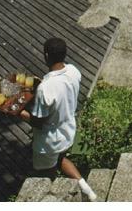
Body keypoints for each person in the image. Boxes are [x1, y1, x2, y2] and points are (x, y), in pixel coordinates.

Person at [19, 37, 97, 201]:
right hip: (68, 131)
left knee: (45, 174)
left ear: (46, 55)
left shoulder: (45, 88)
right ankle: (86, 189)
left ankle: (55, 197)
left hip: (49, 141)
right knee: (61, 158)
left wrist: (18, 113)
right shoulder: (74, 71)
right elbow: (60, 89)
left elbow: (38, 122)